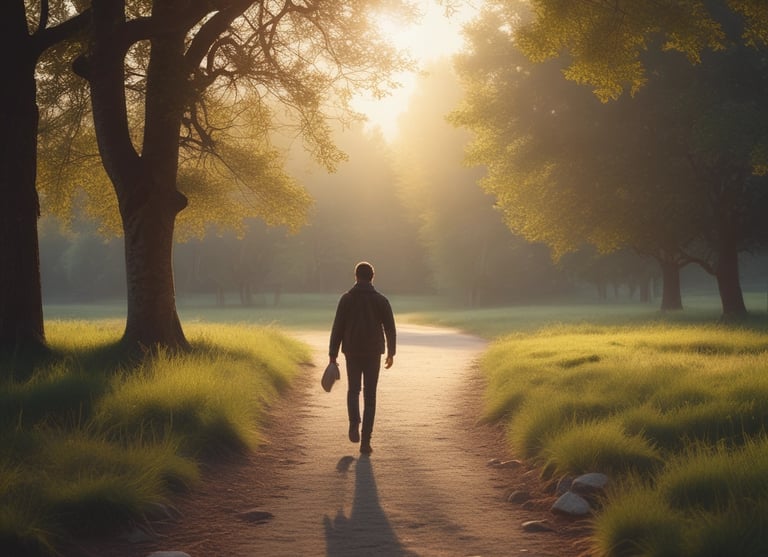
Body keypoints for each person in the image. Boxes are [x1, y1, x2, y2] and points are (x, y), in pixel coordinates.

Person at [329, 261, 396, 455]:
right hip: (373, 352)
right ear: (372, 277)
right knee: (370, 395)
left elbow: (338, 327)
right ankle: (366, 442)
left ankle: (353, 423)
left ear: (356, 277)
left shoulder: (346, 299)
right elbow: (390, 329)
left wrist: (333, 354)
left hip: (352, 351)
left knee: (353, 390)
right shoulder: (381, 301)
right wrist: (391, 353)